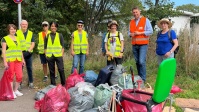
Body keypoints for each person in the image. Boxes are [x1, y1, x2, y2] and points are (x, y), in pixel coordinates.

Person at [129, 7, 153, 82]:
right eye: (134, 12)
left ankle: (143, 78)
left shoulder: (145, 20)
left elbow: (150, 31)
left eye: (136, 12)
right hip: (134, 44)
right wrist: (131, 34)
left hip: (143, 44)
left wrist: (140, 33)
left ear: (139, 12)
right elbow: (128, 32)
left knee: (141, 61)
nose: (135, 14)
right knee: (137, 62)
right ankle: (139, 77)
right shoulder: (131, 22)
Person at [1, 24, 25, 98]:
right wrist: (5, 62)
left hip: (18, 60)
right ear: (8, 30)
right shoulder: (4, 39)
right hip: (10, 60)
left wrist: (23, 59)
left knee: (20, 76)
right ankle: (11, 92)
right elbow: (4, 51)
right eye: (11, 29)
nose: (13, 30)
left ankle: (15, 90)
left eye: (14, 29)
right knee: (10, 76)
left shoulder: (17, 38)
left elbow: (20, 50)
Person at [44, 21, 65, 86]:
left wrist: (61, 54)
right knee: (51, 71)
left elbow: (63, 46)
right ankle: (53, 84)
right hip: (50, 56)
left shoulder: (60, 35)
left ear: (56, 27)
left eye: (55, 26)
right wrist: (46, 56)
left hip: (58, 55)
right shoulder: (47, 36)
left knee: (61, 69)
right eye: (52, 26)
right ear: (50, 27)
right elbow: (45, 47)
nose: (53, 27)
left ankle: (63, 84)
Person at [16, 20, 35, 88]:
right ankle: (19, 83)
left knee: (29, 68)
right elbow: (16, 43)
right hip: (20, 54)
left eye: (25, 24)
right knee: (19, 69)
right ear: (20, 25)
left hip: (28, 53)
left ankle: (31, 82)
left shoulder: (30, 33)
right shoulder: (17, 33)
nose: (24, 26)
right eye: (23, 24)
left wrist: (29, 51)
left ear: (27, 25)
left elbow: (33, 43)